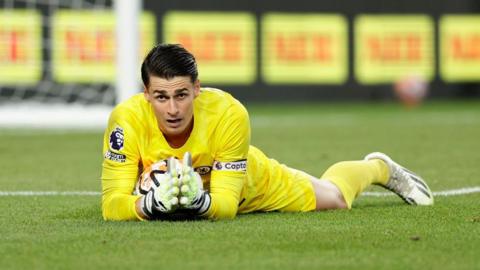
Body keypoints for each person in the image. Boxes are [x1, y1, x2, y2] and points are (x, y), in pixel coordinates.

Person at [101, 44, 434, 221]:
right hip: (173, 195)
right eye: (161, 97)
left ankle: (379, 167)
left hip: (248, 184)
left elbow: (227, 204)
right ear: (146, 93)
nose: (172, 109)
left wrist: (200, 202)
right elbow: (111, 204)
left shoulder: (229, 113)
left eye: (181, 95)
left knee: (334, 200)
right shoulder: (126, 121)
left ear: (197, 89)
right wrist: (148, 206)